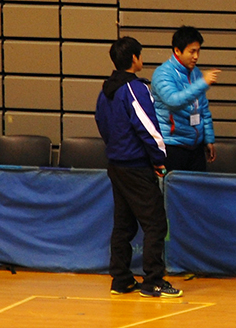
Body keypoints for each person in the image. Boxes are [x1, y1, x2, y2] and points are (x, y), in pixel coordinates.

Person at [94, 36, 182, 300]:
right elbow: (147, 126)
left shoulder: (105, 91)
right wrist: (159, 159)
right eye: (140, 54)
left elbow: (101, 123)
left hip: (116, 166)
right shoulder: (134, 89)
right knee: (155, 223)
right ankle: (153, 281)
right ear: (134, 58)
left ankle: (120, 279)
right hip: (135, 167)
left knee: (123, 224)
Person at [150, 25, 220, 172]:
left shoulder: (196, 73)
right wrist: (202, 83)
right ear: (177, 50)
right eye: (192, 51)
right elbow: (173, 101)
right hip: (172, 146)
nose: (196, 56)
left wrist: (208, 139)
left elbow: (203, 109)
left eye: (198, 51)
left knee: (197, 192)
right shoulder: (163, 74)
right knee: (172, 192)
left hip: (195, 147)